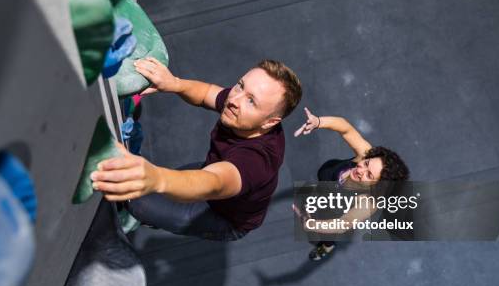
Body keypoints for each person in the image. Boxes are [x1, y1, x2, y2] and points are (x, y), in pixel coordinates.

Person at [91, 57, 302, 241]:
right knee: (168, 185)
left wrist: (157, 179)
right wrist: (175, 83)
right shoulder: (241, 107)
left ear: (270, 122)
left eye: (251, 101)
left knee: (136, 201)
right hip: (212, 168)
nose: (234, 100)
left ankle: (139, 215)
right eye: (240, 85)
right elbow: (206, 93)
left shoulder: (254, 162)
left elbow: (213, 183)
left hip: (224, 217)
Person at [294, 108, 409, 260]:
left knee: (328, 235)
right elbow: (345, 127)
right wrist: (318, 122)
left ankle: (327, 246)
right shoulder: (365, 153)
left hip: (333, 211)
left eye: (369, 175)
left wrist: (310, 225)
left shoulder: (368, 202)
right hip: (327, 179)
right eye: (366, 163)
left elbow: (342, 224)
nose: (361, 169)